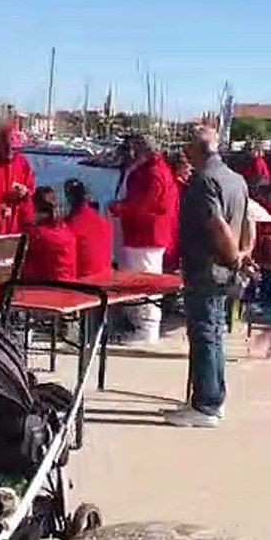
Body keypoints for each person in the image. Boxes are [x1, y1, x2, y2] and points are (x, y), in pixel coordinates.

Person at [165, 127, 249, 428]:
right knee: (214, 333)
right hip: (225, 269)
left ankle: (206, 404)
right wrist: (243, 253)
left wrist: (232, 254)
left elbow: (216, 223)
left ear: (196, 149)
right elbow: (247, 221)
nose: (184, 151)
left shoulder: (203, 181)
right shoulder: (236, 180)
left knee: (204, 334)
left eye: (188, 146)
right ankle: (212, 397)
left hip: (206, 266)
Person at [107, 134, 177, 344]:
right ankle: (141, 327)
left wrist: (119, 208)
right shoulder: (154, 170)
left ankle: (146, 330)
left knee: (145, 282)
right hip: (143, 234)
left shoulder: (153, 173)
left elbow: (144, 203)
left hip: (146, 236)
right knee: (140, 279)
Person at [0, 122, 36, 235]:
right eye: (6, 147)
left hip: (16, 225)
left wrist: (25, 193)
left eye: (14, 148)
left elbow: (31, 191)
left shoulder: (22, 163)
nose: (10, 152)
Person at [22, 187, 78, 281]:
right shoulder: (65, 230)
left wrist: (24, 202)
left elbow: (23, 232)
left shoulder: (38, 234)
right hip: (70, 285)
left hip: (48, 287)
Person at [63, 179, 113, 278]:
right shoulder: (105, 222)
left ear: (68, 198)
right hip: (105, 276)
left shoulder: (69, 227)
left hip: (82, 281)